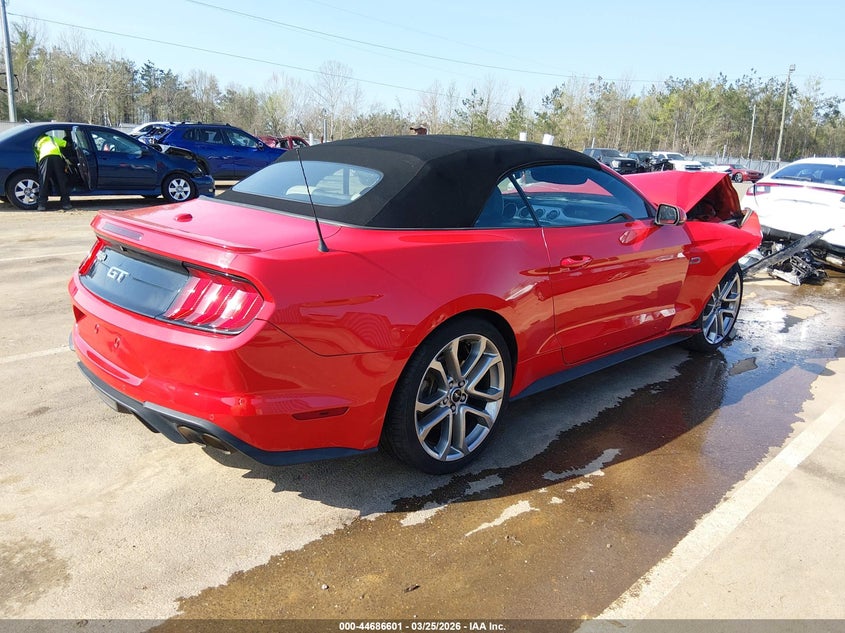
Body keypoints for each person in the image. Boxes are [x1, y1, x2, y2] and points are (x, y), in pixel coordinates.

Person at [34, 131, 72, 211]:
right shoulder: (52, 138)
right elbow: (66, 144)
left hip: (44, 159)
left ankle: (42, 205)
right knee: (61, 180)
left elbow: (36, 155)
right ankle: (66, 203)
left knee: (44, 181)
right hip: (56, 158)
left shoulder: (37, 142)